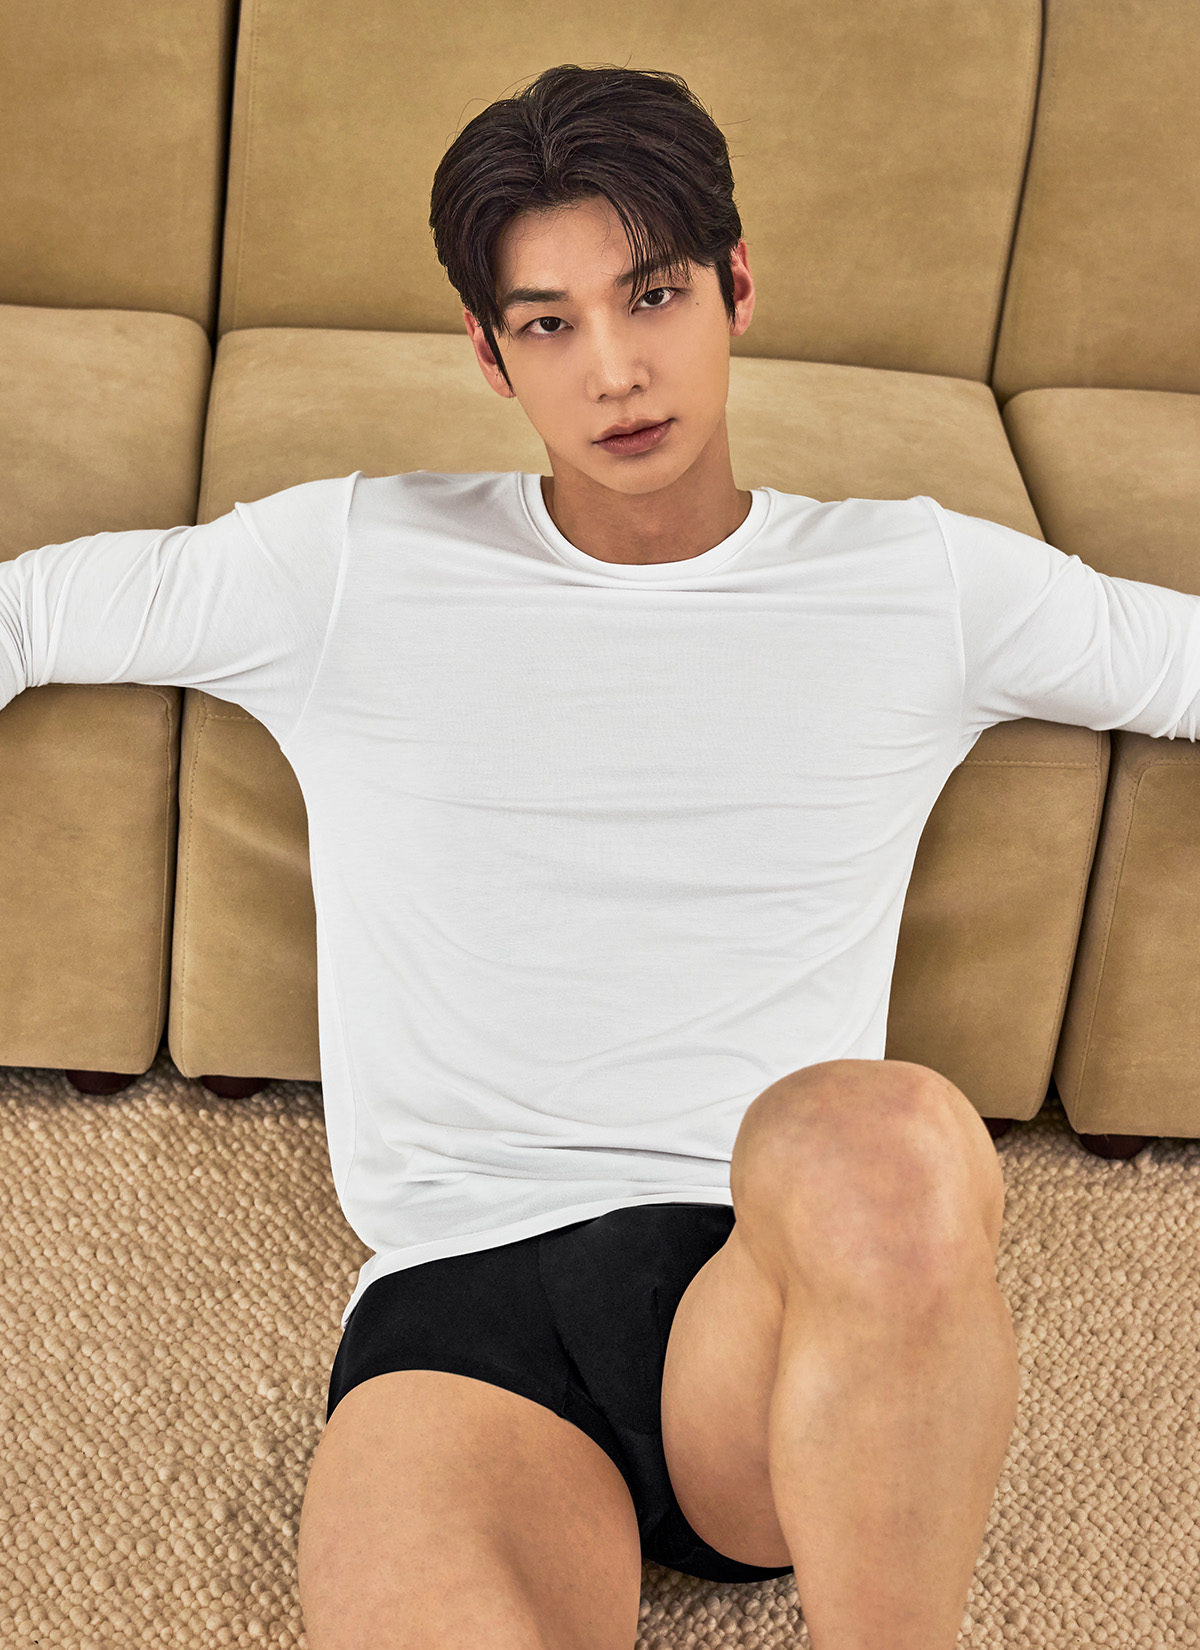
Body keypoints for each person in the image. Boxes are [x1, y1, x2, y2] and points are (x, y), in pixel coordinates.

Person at [2, 60, 1198, 1650]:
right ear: (489, 355)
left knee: (891, 1137)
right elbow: (31, 612)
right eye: (551, 323)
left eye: (654, 295)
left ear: (737, 287)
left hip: (761, 1288)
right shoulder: (347, 561)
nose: (618, 369)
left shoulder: (922, 582)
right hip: (457, 1304)